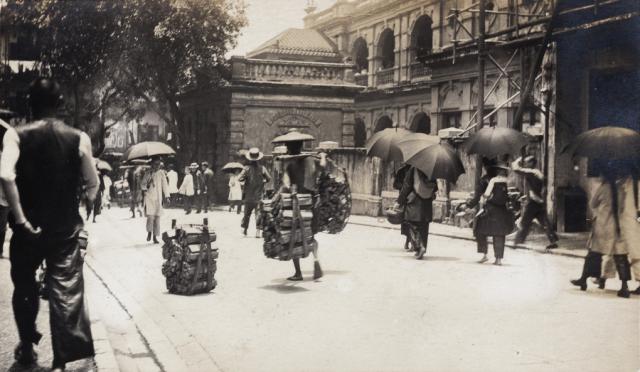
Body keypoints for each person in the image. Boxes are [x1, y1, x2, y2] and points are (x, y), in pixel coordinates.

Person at [0, 77, 98, 371]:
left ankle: (28, 348)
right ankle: (62, 361)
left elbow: (5, 176)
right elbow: (92, 184)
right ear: (60, 104)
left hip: (28, 229)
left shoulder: (15, 135)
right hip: (64, 229)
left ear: (30, 104)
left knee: (25, 287)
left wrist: (21, 219)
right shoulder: (78, 137)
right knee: (66, 290)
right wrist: (83, 206)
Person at [571, 166, 633, 298]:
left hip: (603, 226)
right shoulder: (621, 190)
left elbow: (593, 204)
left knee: (593, 254)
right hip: (618, 227)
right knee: (621, 257)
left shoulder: (603, 188)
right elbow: (622, 208)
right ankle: (624, 287)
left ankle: (584, 280)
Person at [275, 132, 326, 281]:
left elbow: (286, 184)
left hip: (297, 203)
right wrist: (322, 155)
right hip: (312, 201)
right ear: (302, 145)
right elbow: (323, 167)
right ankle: (316, 262)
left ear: (288, 148)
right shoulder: (312, 159)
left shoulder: (290, 164)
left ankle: (298, 273)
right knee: (312, 235)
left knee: (293, 235)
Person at [467, 159, 514, 266]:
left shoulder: (484, 180)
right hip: (502, 211)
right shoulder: (504, 180)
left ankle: (484, 254)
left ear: (485, 167)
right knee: (499, 234)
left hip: (489, 210)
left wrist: (469, 205)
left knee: (479, 230)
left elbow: (478, 196)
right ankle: (498, 259)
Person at [511, 155, 559, 249]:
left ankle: (517, 242)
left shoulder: (531, 172)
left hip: (533, 202)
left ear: (532, 163)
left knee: (525, 221)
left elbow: (516, 168)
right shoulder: (538, 173)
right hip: (539, 201)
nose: (525, 164)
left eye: (527, 162)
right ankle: (553, 240)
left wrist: (519, 159)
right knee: (544, 222)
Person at [397, 166, 437, 259]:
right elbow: (435, 188)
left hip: (415, 201)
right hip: (427, 202)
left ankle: (420, 246)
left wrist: (399, 201)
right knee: (424, 225)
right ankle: (422, 248)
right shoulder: (431, 171)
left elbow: (406, 186)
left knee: (409, 222)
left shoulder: (413, 169)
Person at [238, 148, 272, 237]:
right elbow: (269, 178)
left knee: (246, 214)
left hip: (248, 196)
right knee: (258, 214)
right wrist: (263, 181)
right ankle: (258, 231)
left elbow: (239, 178)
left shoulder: (246, 168)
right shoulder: (262, 168)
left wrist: (245, 182)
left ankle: (245, 230)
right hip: (259, 196)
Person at [141, 157, 170, 244]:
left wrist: (167, 196)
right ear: (152, 164)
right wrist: (146, 188)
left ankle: (155, 236)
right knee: (150, 217)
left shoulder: (161, 173)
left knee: (157, 217)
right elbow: (143, 184)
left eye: (159, 164)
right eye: (155, 164)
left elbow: (165, 185)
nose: (157, 166)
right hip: (149, 197)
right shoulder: (148, 173)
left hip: (158, 198)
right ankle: (149, 232)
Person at [393, 163, 413, 251]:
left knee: (411, 222)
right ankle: (408, 241)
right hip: (404, 200)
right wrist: (404, 186)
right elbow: (395, 184)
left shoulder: (416, 171)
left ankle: (411, 241)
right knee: (405, 223)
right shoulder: (401, 171)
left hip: (413, 200)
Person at [0, 118, 12, 258]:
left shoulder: (5, 158)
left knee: (2, 226)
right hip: (3, 197)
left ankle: (0, 250)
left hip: (4, 198)